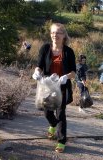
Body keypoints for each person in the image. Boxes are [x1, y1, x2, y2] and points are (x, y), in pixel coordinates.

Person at [32, 23, 76, 153]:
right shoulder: (45, 48)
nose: (55, 35)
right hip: (46, 86)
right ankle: (52, 124)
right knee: (46, 111)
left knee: (61, 113)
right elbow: (39, 65)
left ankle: (61, 141)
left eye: (58, 32)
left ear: (64, 35)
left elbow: (74, 72)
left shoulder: (68, 52)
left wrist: (65, 77)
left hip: (61, 87)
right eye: (52, 32)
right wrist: (37, 72)